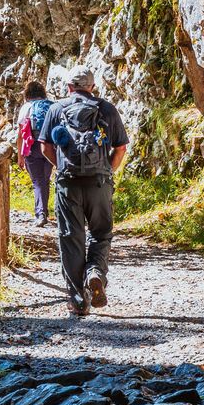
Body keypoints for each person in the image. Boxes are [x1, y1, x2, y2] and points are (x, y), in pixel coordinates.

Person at [40, 65, 129, 317]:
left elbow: (45, 148)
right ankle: (95, 273)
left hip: (68, 183)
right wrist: (106, 170)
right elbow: (120, 148)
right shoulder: (106, 108)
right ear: (92, 87)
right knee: (101, 234)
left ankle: (78, 300)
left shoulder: (56, 109)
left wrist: (63, 168)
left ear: (68, 87)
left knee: (71, 238)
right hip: (99, 183)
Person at [16, 81, 54, 227]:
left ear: (27, 94)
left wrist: (20, 156)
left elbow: (21, 134)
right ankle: (44, 211)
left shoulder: (26, 107)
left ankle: (41, 214)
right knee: (45, 179)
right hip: (50, 145)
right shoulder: (51, 105)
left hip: (32, 146)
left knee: (38, 181)